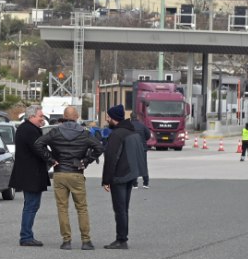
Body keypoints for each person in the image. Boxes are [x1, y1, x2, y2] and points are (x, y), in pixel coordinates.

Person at [35, 105, 103, 250]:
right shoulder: (84, 133)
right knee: (82, 208)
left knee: (62, 208)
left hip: (59, 172)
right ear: (77, 116)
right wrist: (86, 161)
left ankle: (66, 241)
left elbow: (38, 144)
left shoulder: (55, 131)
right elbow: (99, 147)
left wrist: (51, 160)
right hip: (76, 172)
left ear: (64, 117)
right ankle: (86, 241)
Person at [100, 105, 149, 250]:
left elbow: (111, 158)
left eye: (108, 117)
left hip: (119, 176)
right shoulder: (131, 131)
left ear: (113, 118)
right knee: (124, 209)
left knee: (119, 209)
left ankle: (121, 240)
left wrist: (106, 180)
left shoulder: (117, 134)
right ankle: (122, 238)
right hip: (130, 175)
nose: (107, 119)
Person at [8, 104, 50, 247]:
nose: (42, 119)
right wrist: (52, 159)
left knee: (31, 205)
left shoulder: (27, 128)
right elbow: (39, 149)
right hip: (31, 174)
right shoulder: (29, 131)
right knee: (31, 205)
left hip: (29, 174)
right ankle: (26, 236)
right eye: (40, 116)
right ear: (31, 116)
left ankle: (27, 234)